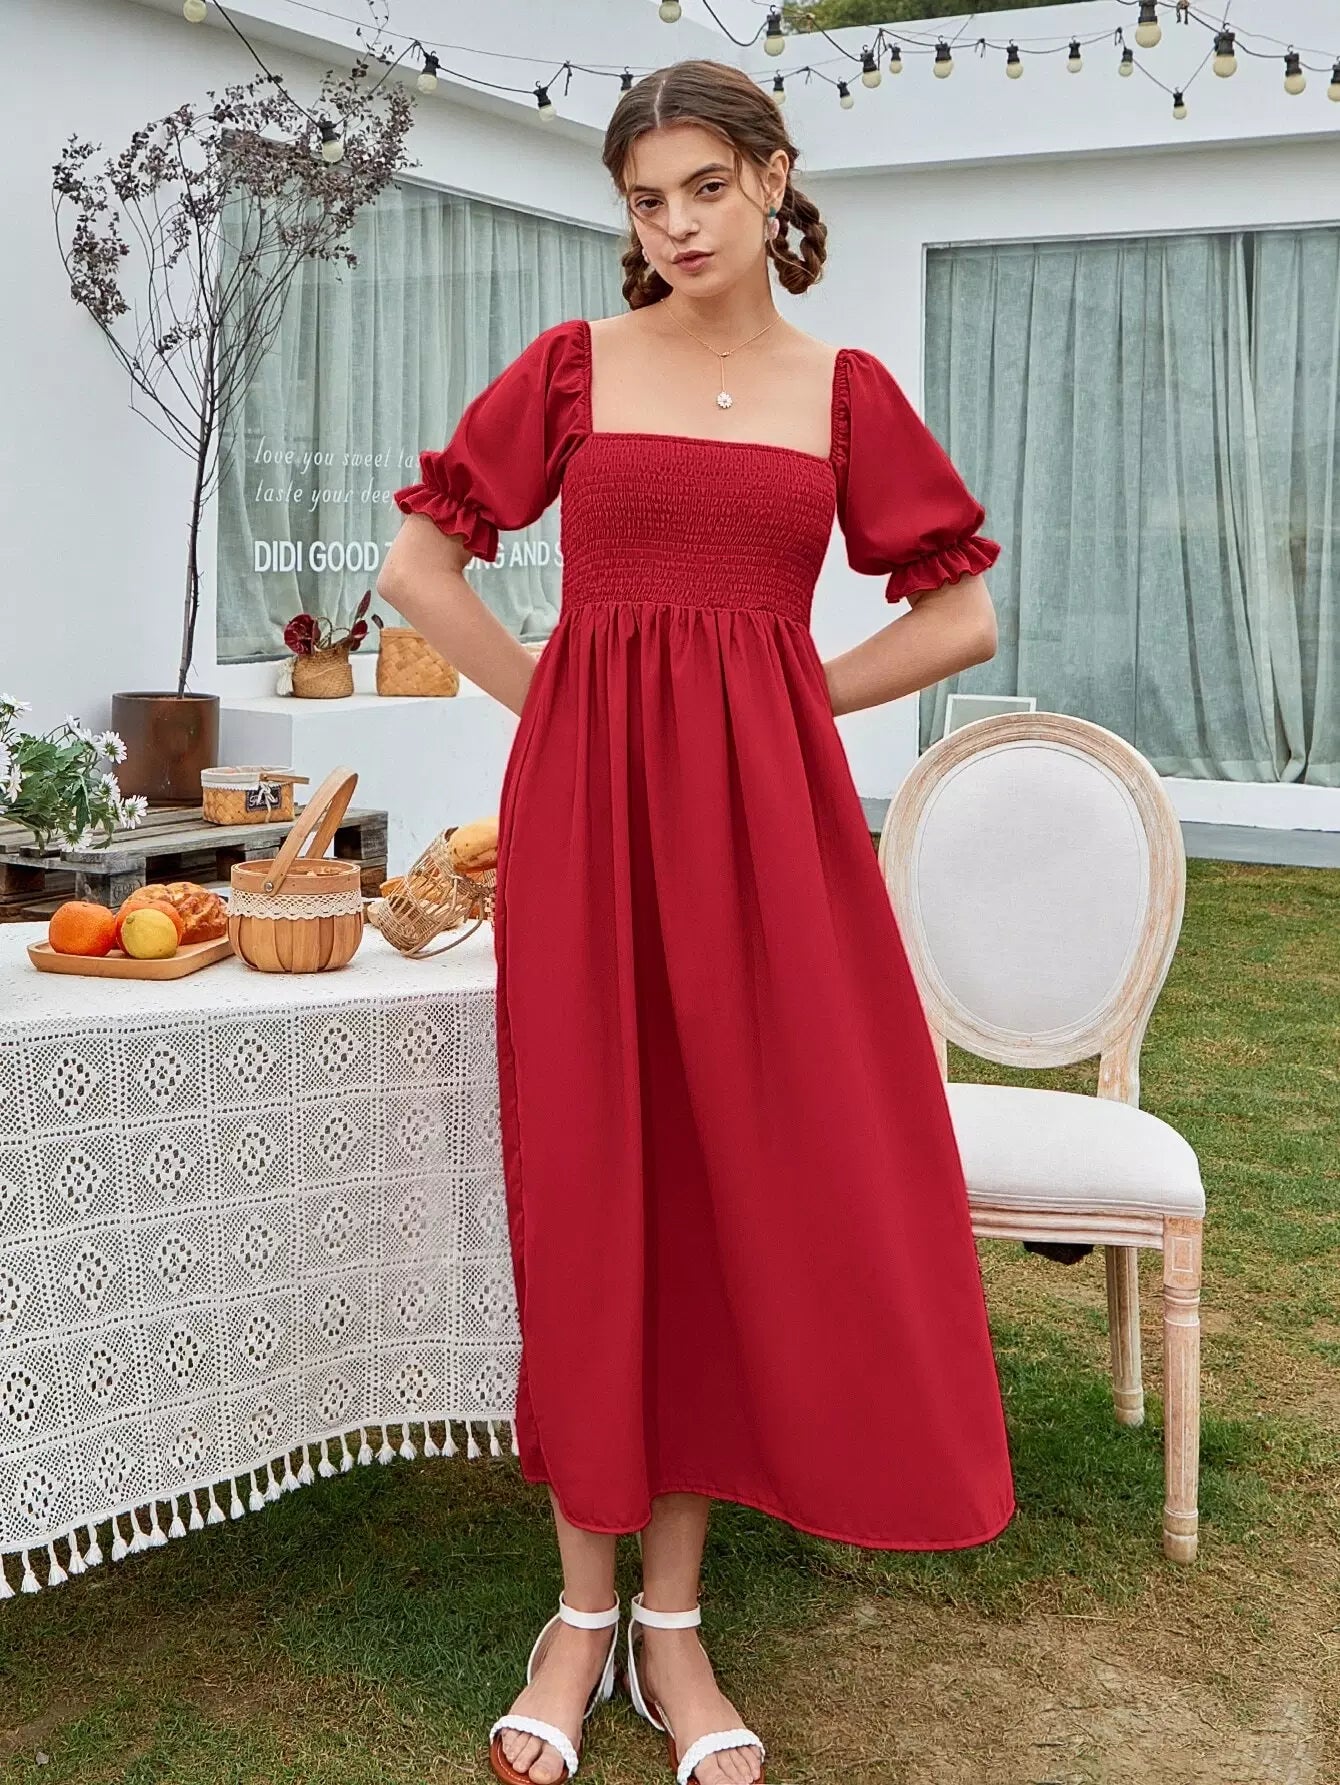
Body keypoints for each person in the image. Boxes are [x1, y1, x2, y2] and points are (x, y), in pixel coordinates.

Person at [379, 56, 1015, 1785]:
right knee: (596, 1184)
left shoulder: (842, 391)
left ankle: (674, 1622)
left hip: (766, 841)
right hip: (590, 831)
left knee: (733, 1183)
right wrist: (564, 710)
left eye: (705, 189)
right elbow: (420, 569)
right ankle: (578, 1616)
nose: (675, 224)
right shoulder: (575, 369)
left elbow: (957, 616)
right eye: (646, 199)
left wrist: (791, 703)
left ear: (773, 179)